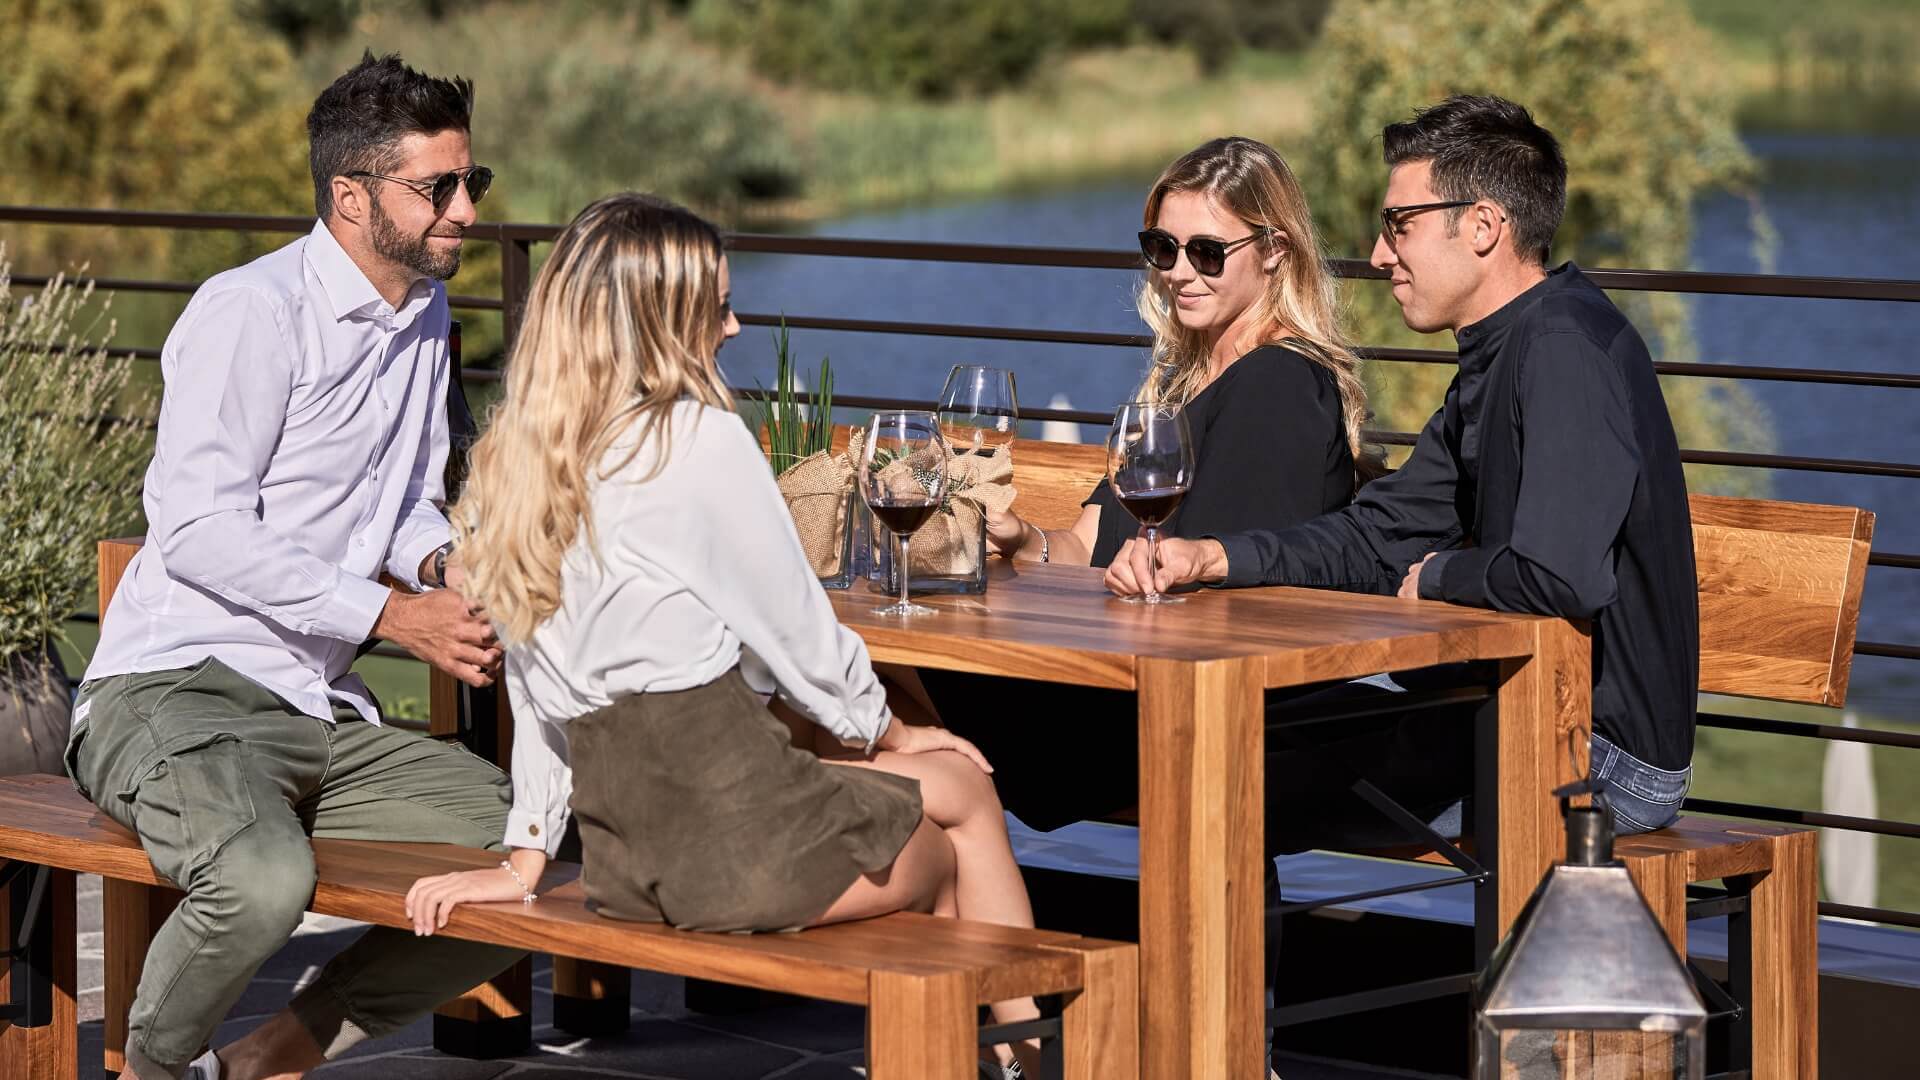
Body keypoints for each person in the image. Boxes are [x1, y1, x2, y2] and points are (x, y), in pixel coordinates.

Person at [402, 193, 1047, 1079]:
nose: (737, 326)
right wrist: (899, 733)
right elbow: (802, 640)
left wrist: (525, 859)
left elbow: (532, 689)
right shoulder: (695, 438)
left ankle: (1008, 1059)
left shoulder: (513, 463)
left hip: (627, 865)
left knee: (918, 801)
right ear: (657, 324)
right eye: (717, 309)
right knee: (962, 796)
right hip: (737, 848)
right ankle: (1029, 1057)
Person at [66, 55, 522, 1080]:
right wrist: (392, 619)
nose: (463, 210)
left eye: (471, 183)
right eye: (436, 188)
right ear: (350, 196)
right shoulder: (251, 313)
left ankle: (276, 1054)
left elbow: (399, 502)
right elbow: (198, 529)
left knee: (531, 860)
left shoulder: (423, 315)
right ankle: (150, 1070)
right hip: (174, 689)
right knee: (263, 882)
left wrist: (442, 559)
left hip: (315, 706)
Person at [1109, 95, 1699, 836]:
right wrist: (1213, 557)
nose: (1381, 254)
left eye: (1400, 225)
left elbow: (1561, 576)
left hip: (1602, 755)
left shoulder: (1563, 349)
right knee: (1206, 754)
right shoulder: (1502, 354)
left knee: (1214, 774)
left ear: (1484, 226)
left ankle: (1207, 955)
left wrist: (1440, 578)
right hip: (1508, 704)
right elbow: (1373, 534)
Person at [906, 135, 1380, 830]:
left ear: (1276, 249)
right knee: (878, 685)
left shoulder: (1276, 385)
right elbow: (1079, 549)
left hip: (1175, 723)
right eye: (1163, 248)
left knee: (867, 677)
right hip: (1122, 686)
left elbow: (1230, 614)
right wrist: (1016, 536)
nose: (1179, 273)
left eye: (1208, 252)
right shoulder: (1189, 389)